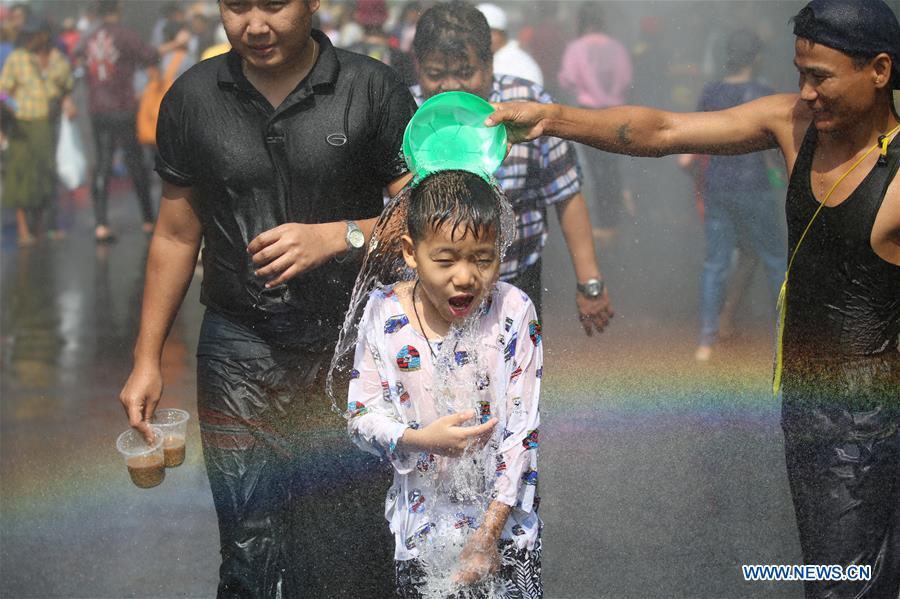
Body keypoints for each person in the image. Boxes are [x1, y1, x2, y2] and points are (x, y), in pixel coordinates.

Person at [487, 1, 900, 597]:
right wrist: (553, 118)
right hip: (807, 408)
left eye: (822, 77)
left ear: (880, 70)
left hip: (871, 421)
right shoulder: (795, 126)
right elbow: (665, 131)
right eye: (799, 73)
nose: (806, 92)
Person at [117, 0, 417, 595]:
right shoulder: (194, 98)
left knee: (343, 549)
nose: (255, 25)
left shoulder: (370, 88)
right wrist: (147, 360)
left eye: (275, 5)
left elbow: (425, 214)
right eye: (236, 6)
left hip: (351, 350)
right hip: (237, 349)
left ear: (313, 4)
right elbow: (176, 235)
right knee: (248, 548)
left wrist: (339, 235)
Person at [347, 170, 543, 597]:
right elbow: (360, 418)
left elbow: (522, 432)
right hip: (422, 537)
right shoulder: (383, 313)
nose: (466, 277)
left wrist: (488, 534)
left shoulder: (512, 310)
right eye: (446, 259)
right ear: (410, 253)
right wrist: (419, 438)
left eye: (483, 258)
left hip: (505, 532)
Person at [411, 0, 613, 335]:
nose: (450, 86)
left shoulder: (528, 105)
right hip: (429, 290)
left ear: (489, 64)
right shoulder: (407, 111)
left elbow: (565, 193)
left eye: (465, 73)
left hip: (513, 283)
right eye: (436, 75)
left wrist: (589, 282)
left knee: (513, 384)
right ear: (418, 68)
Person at [679, 29, 785, 362]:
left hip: (719, 189)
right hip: (755, 189)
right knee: (775, 260)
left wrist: (695, 172)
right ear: (756, 58)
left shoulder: (711, 93)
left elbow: (688, 153)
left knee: (716, 263)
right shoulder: (765, 95)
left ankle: (705, 342)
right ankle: (787, 335)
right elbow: (777, 152)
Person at [83, 0, 186, 242]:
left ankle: (100, 223)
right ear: (117, 10)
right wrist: (175, 44)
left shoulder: (89, 37)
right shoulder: (124, 35)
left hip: (97, 108)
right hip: (122, 106)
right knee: (135, 162)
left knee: (102, 163)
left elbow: (79, 60)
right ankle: (149, 220)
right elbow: (149, 55)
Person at [558, 2, 632, 242]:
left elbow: (567, 79)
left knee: (592, 169)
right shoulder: (617, 48)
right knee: (611, 167)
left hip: (588, 113)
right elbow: (626, 78)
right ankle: (613, 219)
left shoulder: (576, 48)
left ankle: (598, 223)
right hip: (615, 112)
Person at [0, 16, 75, 246]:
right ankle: (24, 229)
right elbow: (3, 92)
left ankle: (41, 225)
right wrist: (16, 107)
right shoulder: (17, 59)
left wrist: (67, 103)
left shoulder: (58, 60)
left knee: (44, 175)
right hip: (23, 125)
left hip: (47, 125)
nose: (30, 39)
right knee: (21, 177)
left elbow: (66, 87)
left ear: (44, 36)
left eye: (34, 34)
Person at [476, 3, 543, 86]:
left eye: (482, 33)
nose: (478, 39)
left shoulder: (515, 62)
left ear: (499, 33)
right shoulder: (495, 58)